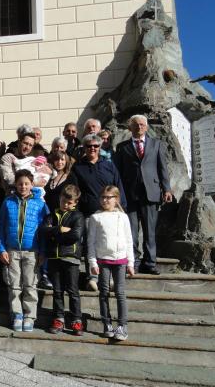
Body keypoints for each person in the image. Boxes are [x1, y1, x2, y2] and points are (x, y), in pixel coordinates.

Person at [114, 114, 172, 275]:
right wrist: (117, 194)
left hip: (151, 193)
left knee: (150, 230)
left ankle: (150, 262)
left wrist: (166, 189)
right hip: (129, 194)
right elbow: (118, 173)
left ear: (146, 127)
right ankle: (135, 262)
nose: (139, 127)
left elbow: (162, 168)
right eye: (135, 124)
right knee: (131, 231)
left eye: (141, 124)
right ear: (130, 128)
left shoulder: (156, 144)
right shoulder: (122, 147)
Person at [72, 133, 126, 291]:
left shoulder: (109, 165)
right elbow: (76, 191)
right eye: (89, 146)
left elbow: (118, 186)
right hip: (90, 213)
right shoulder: (78, 168)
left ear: (100, 147)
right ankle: (92, 277)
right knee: (91, 245)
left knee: (108, 244)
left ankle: (107, 278)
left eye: (96, 146)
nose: (92, 149)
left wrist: (121, 206)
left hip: (110, 212)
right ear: (84, 148)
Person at [0, 169, 49, 332]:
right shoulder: (8, 202)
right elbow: (1, 228)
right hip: (12, 251)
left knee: (30, 284)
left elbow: (44, 230)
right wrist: (1, 249)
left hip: (32, 251)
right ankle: (17, 314)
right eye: (20, 184)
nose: (23, 186)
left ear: (32, 184)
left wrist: (42, 252)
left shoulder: (40, 204)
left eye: (26, 183)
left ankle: (29, 316)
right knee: (14, 285)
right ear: (15, 185)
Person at [88, 185, 135, 341]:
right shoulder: (95, 217)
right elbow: (91, 242)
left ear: (116, 199)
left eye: (109, 197)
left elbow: (129, 240)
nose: (105, 200)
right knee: (104, 292)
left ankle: (122, 326)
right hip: (103, 260)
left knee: (120, 293)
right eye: (103, 197)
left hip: (121, 260)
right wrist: (92, 262)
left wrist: (131, 262)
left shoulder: (123, 217)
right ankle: (107, 323)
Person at [41, 185, 85, 336]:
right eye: (63, 201)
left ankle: (76, 320)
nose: (65, 205)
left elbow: (75, 235)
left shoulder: (78, 216)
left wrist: (55, 234)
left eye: (69, 202)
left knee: (73, 291)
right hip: (54, 257)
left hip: (71, 258)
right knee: (57, 291)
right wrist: (60, 229)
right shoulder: (51, 215)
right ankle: (58, 318)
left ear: (75, 203)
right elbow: (44, 231)